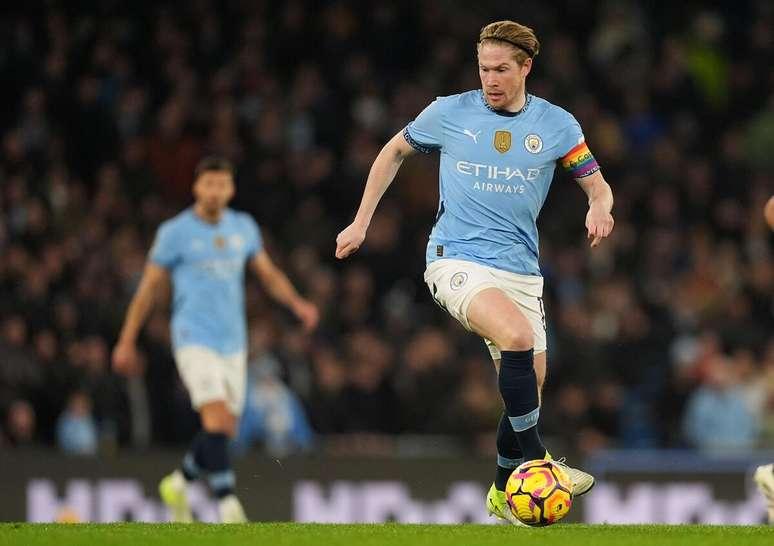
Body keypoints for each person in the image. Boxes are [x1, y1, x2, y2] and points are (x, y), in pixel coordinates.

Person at [335, 20, 614, 524]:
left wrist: (599, 207)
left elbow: (596, 183)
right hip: (455, 259)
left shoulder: (557, 125)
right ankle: (538, 459)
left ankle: (504, 485)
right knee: (515, 337)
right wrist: (361, 222)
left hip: (521, 271)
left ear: (526, 67)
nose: (490, 79)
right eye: (484, 68)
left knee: (527, 386)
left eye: (502, 69)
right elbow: (393, 150)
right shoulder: (449, 111)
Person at [112, 156, 319, 523]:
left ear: (231, 189)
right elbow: (147, 291)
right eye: (208, 184)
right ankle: (227, 503)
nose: (214, 191)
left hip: (233, 342)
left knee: (225, 428)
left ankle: (178, 483)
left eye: (221, 184)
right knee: (217, 417)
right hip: (193, 336)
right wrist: (126, 341)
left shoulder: (243, 227)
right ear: (196, 187)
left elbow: (268, 275)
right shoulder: (174, 233)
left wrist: (297, 303)